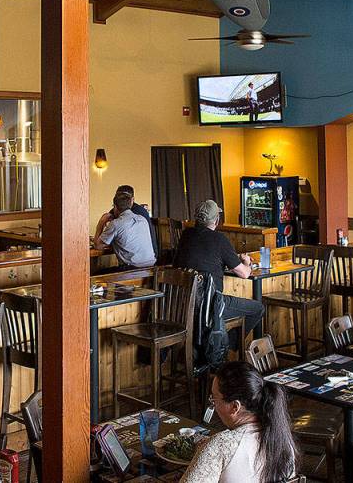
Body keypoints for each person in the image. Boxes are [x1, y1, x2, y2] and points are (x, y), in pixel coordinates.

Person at [180, 361, 298, 483]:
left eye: (214, 399)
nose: (213, 405)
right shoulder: (282, 439)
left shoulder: (221, 445)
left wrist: (208, 450)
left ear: (234, 407)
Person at [175, 199, 264, 337]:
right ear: (216, 220)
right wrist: (247, 262)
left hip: (182, 303)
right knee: (257, 308)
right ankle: (229, 345)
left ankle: (223, 344)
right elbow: (245, 274)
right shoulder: (219, 239)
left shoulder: (186, 235)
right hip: (210, 304)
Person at [94, 192, 156, 269]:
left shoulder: (116, 224)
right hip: (151, 268)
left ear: (115, 207)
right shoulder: (142, 219)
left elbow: (98, 246)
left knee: (96, 274)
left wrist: (101, 222)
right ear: (130, 205)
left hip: (132, 270)